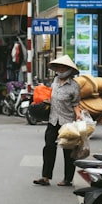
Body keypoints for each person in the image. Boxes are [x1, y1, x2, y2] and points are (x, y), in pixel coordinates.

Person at [33, 55, 83, 187]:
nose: (61, 70)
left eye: (64, 68)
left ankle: (68, 179)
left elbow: (76, 103)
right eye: (59, 67)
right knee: (49, 147)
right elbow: (52, 97)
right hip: (53, 120)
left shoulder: (74, 86)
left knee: (68, 151)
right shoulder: (54, 81)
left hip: (67, 122)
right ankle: (45, 177)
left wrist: (78, 115)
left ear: (70, 70)